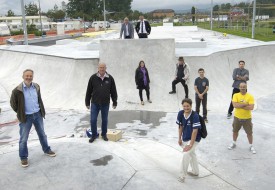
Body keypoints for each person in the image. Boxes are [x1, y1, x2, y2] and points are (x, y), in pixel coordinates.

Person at [10, 69, 56, 168]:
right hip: (26, 117)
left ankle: (47, 149)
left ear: (32, 77)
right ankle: (23, 157)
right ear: (23, 76)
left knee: (42, 134)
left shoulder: (36, 86)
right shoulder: (17, 90)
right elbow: (13, 104)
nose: (29, 77)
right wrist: (21, 113)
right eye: (27, 76)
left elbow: (39, 99)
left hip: (37, 115)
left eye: (30, 76)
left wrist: (40, 111)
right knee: (23, 139)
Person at [85, 63, 118, 143]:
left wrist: (114, 102)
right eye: (100, 67)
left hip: (105, 103)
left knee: (104, 120)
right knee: (93, 120)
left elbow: (113, 91)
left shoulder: (110, 78)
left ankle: (104, 134)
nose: (102, 69)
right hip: (95, 103)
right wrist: (87, 102)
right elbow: (89, 90)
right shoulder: (93, 78)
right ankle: (94, 135)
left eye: (103, 67)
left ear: (106, 68)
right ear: (98, 68)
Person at [177, 98, 201, 182]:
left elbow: (195, 131)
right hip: (185, 138)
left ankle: (182, 175)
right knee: (192, 154)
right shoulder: (180, 113)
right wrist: (179, 138)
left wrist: (190, 144)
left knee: (186, 154)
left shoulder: (195, 116)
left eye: (188, 106)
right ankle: (195, 171)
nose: (186, 108)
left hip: (194, 139)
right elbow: (180, 126)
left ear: (191, 106)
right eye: (184, 106)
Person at [228, 83, 256, 154]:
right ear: (239, 87)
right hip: (237, 117)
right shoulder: (235, 95)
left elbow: (251, 107)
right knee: (235, 131)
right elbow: (234, 105)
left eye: (244, 87)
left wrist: (239, 105)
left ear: (246, 87)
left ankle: (251, 145)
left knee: (249, 133)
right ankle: (234, 143)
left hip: (247, 118)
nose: (242, 88)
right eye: (241, 87)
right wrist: (245, 104)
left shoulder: (250, 96)